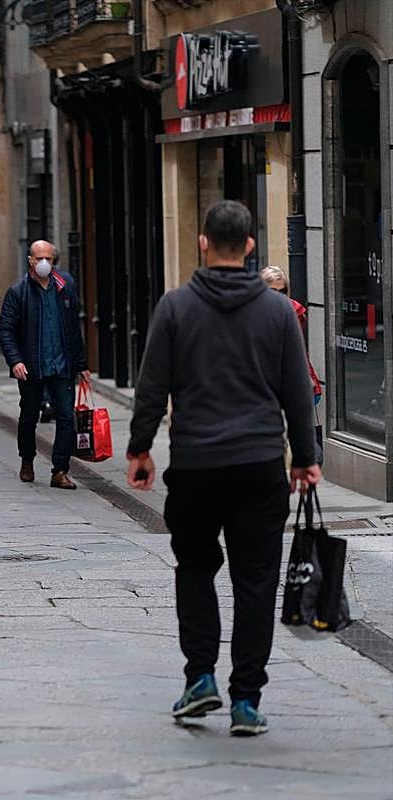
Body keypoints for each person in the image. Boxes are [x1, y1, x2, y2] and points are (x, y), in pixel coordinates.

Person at [127, 200, 320, 737]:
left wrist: (140, 448)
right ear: (251, 247)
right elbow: (297, 394)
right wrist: (305, 458)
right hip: (260, 464)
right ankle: (246, 701)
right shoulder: (279, 313)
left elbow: (151, 386)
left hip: (195, 464)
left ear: (203, 242)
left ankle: (200, 680)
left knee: (195, 569)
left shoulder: (175, 307)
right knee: (256, 581)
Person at [0, 240, 90, 490]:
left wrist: (81, 364)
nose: (45, 263)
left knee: (66, 417)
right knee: (29, 417)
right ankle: (27, 459)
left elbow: (73, 328)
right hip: (31, 366)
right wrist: (15, 361)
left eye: (49, 258)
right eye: (39, 259)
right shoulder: (18, 292)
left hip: (62, 364)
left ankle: (60, 469)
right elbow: (5, 330)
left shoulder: (65, 285)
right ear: (30, 261)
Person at [260, 265, 324, 464]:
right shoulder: (250, 315)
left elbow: (297, 353)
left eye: (283, 291)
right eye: (272, 291)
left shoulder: (293, 313)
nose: (279, 297)